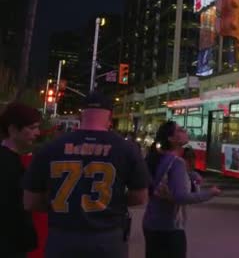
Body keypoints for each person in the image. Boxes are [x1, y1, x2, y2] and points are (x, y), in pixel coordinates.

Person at [22, 92, 150, 258]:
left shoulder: (50, 148)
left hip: (62, 237)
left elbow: (30, 201)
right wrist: (110, 201)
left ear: (81, 114)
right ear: (110, 116)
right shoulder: (127, 149)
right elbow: (140, 198)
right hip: (107, 238)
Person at [143, 121, 221, 258]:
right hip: (169, 229)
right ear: (171, 139)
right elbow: (182, 197)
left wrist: (190, 175)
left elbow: (164, 177)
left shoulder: (158, 158)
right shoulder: (177, 162)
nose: (184, 130)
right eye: (179, 130)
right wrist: (211, 193)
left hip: (151, 224)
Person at [0, 103, 41, 258]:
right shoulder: (8, 163)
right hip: (10, 243)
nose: (37, 133)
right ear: (12, 130)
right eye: (31, 128)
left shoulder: (16, 160)